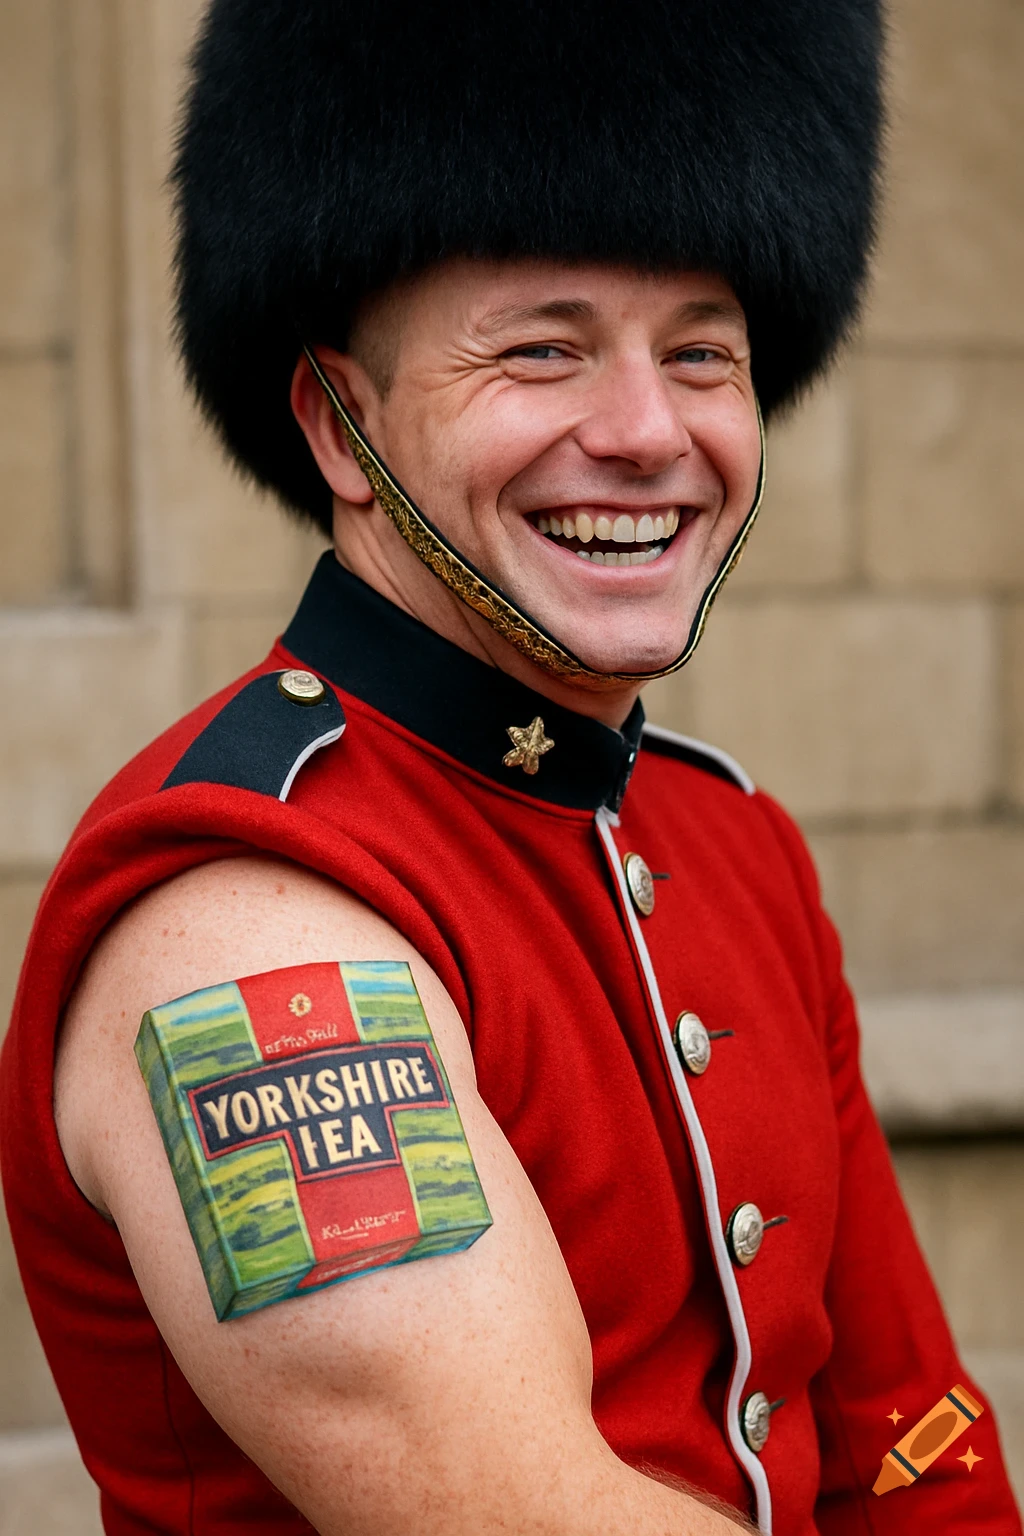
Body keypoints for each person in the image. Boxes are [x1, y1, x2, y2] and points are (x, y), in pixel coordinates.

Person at [1, 2, 1020, 1533]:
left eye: (703, 355)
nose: (645, 432)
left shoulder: (730, 836)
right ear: (339, 428)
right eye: (542, 350)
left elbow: (908, 1446)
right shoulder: (240, 920)